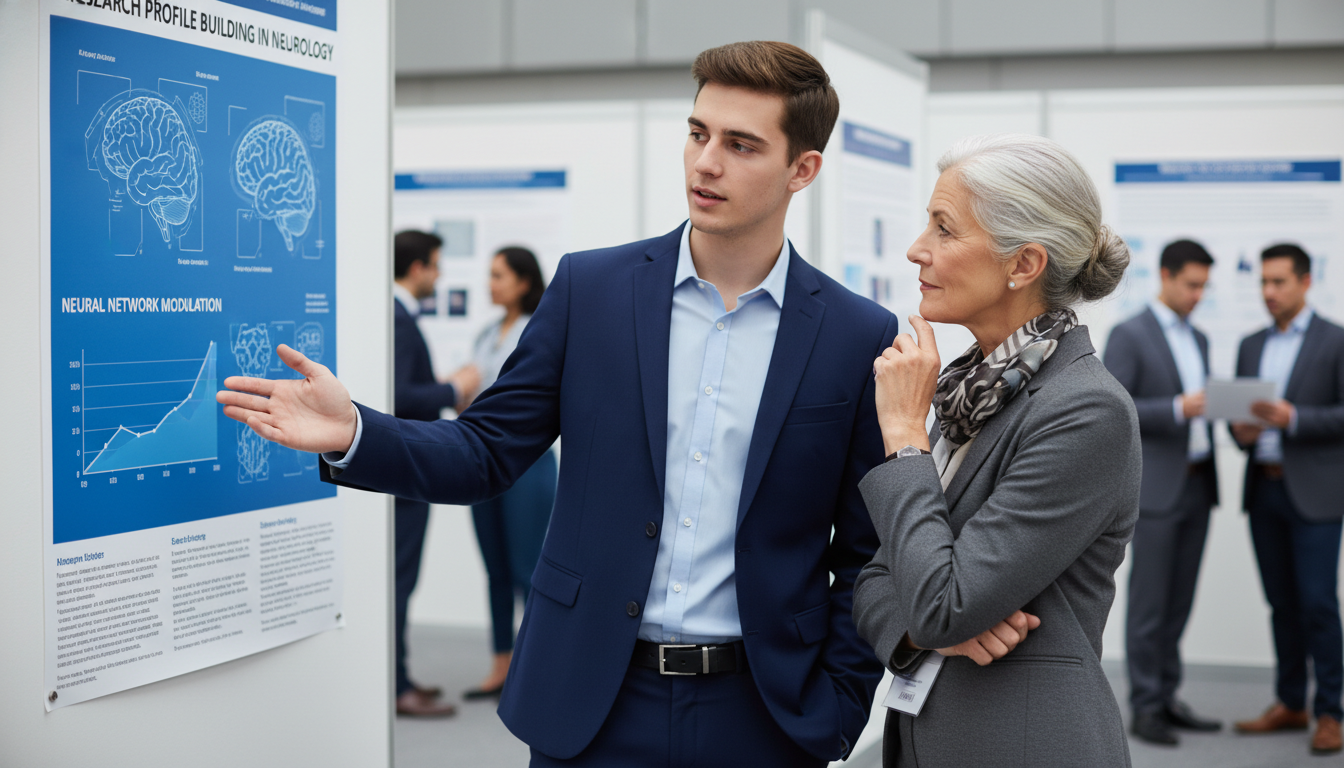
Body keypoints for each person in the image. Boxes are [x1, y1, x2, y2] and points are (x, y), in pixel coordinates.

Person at [218, 41, 896, 766]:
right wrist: (357, 430)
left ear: (803, 169)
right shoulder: (592, 292)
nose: (705, 162)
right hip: (593, 705)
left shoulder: (856, 335)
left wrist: (841, 703)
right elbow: (484, 452)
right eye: (698, 133)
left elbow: (866, 551)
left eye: (740, 144)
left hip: (764, 715)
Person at [852, 134, 1141, 767]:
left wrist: (904, 438)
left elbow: (942, 603)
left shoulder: (1086, 409)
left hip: (1026, 744)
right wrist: (926, 632)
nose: (916, 249)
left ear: (1023, 263)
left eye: (944, 229)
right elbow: (876, 581)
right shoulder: (973, 392)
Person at [1104, 239, 1222, 745]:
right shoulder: (1130, 335)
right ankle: (1146, 705)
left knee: (1178, 603)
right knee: (1150, 604)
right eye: (1191, 285)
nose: (1198, 295)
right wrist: (1177, 408)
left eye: (1203, 287)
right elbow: (1113, 408)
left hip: (1199, 484)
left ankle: (1167, 696)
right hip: (1155, 488)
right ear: (1167, 277)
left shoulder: (1198, 339)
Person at [1230, 244, 1344, 756]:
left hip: (1316, 493)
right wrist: (1243, 430)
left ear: (1305, 282)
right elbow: (1241, 427)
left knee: (1318, 604)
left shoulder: (1335, 341)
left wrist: (1292, 418)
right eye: (1264, 283)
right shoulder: (1251, 345)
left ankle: (1331, 714)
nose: (1269, 292)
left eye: (1279, 282)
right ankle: (1291, 702)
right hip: (1264, 488)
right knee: (1281, 605)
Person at [389, 229, 481, 717]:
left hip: (402, 469)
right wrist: (452, 387)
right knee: (398, 581)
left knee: (401, 579)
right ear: (418, 267)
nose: (441, 274)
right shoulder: (399, 320)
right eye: (436, 265)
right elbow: (399, 397)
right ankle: (396, 685)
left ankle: (398, 677)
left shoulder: (399, 316)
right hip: (405, 472)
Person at [461, 246, 558, 700]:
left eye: (499, 275)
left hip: (528, 465)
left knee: (526, 569)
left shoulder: (537, 329)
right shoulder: (486, 333)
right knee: (495, 569)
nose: (490, 284)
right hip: (482, 460)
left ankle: (539, 669)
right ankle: (502, 665)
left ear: (523, 281)